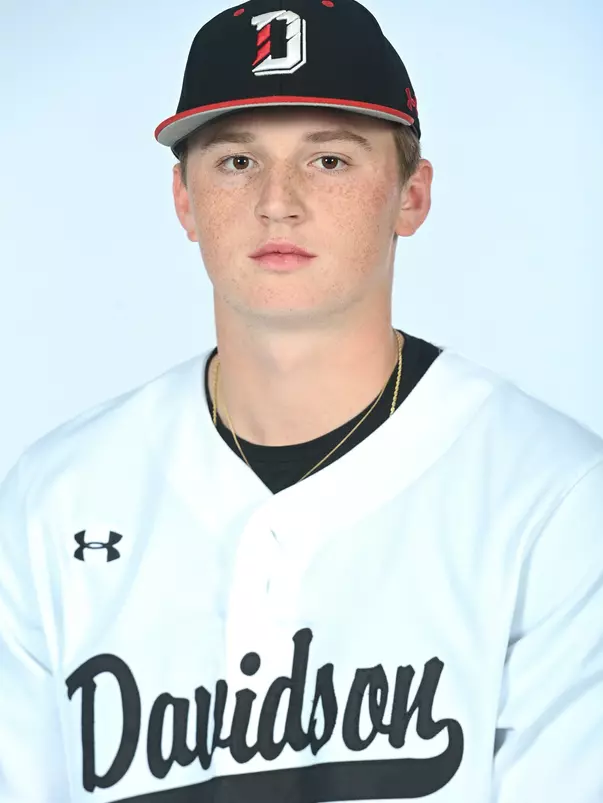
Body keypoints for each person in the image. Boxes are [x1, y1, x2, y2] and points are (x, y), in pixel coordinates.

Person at [1, 0, 602, 800]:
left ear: (411, 195)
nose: (276, 200)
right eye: (236, 161)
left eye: (330, 159)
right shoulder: (54, 495)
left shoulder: (555, 497)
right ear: (184, 199)